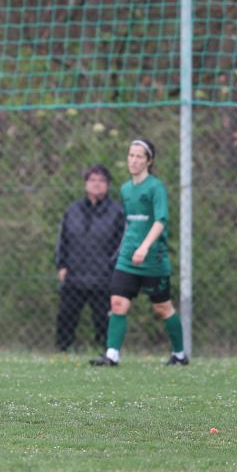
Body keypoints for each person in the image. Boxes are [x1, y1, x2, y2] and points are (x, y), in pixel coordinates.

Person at [91, 139, 188, 367]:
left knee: (162, 308)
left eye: (139, 156)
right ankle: (112, 355)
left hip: (152, 258)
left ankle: (180, 355)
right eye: (130, 155)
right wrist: (128, 248)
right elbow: (131, 224)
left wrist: (144, 247)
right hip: (128, 258)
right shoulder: (125, 189)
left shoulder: (156, 188)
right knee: (118, 304)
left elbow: (161, 220)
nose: (133, 160)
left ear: (149, 161)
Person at [54, 165, 125, 351]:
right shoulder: (72, 211)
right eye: (92, 180)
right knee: (66, 315)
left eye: (101, 181)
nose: (96, 184)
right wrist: (61, 265)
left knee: (103, 318)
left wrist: (113, 269)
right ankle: (63, 349)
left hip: (103, 277)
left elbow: (123, 245)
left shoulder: (117, 212)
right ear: (86, 184)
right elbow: (63, 239)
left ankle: (105, 351)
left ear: (108, 185)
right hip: (75, 275)